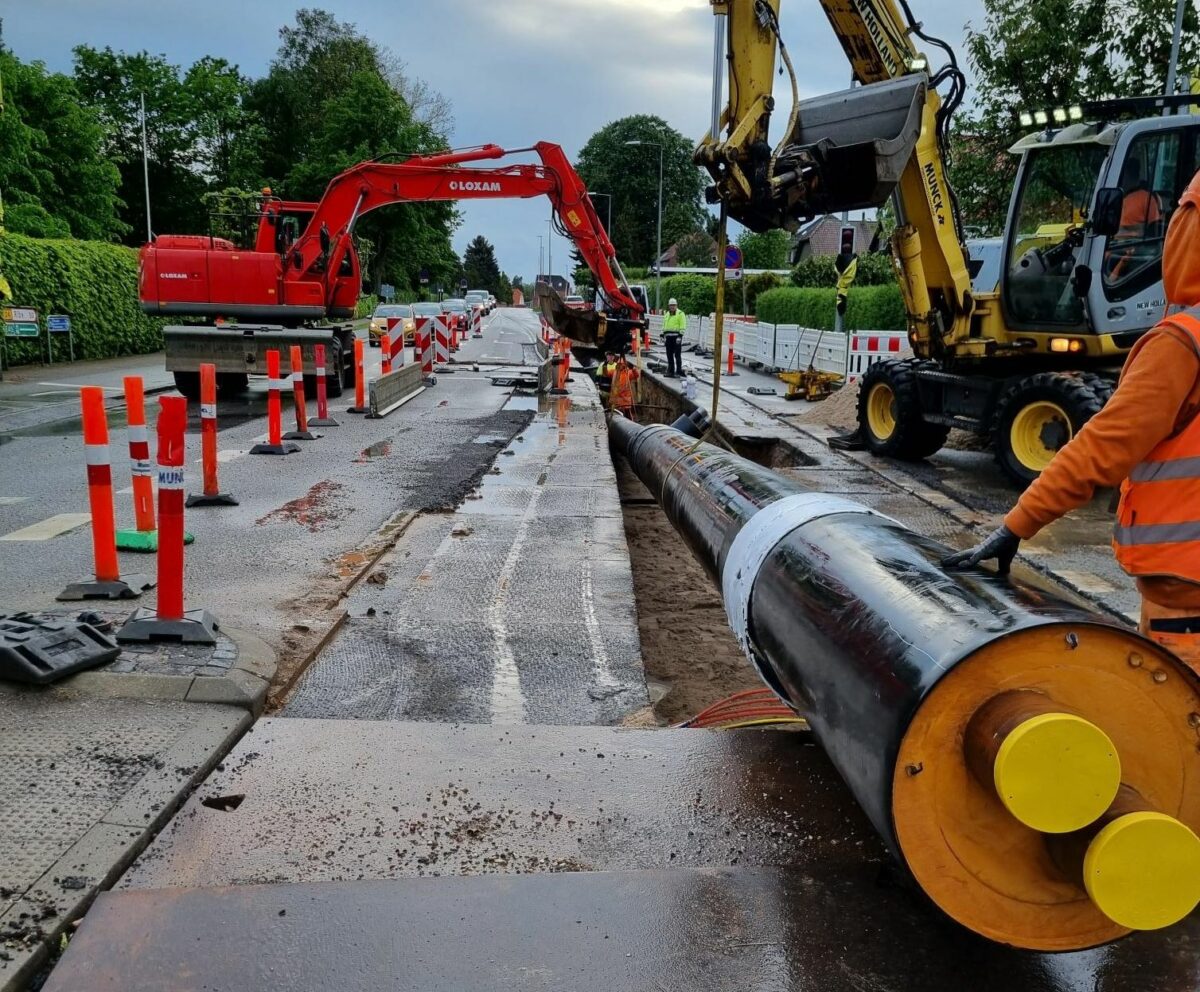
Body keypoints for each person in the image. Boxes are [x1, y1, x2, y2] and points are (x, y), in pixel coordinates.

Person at [944, 167, 1200, 674]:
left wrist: (1016, 524)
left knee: (1173, 728)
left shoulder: (1181, 342)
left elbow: (1103, 446)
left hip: (1187, 596)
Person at [663, 298, 686, 377]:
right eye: (671, 305)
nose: (672, 307)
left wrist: (680, 336)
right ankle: (671, 371)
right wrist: (663, 335)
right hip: (668, 338)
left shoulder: (680, 314)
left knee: (677, 355)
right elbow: (664, 325)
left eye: (674, 305)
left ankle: (679, 371)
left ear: (676, 305)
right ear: (669, 306)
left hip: (676, 338)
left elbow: (683, 325)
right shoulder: (666, 314)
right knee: (669, 355)